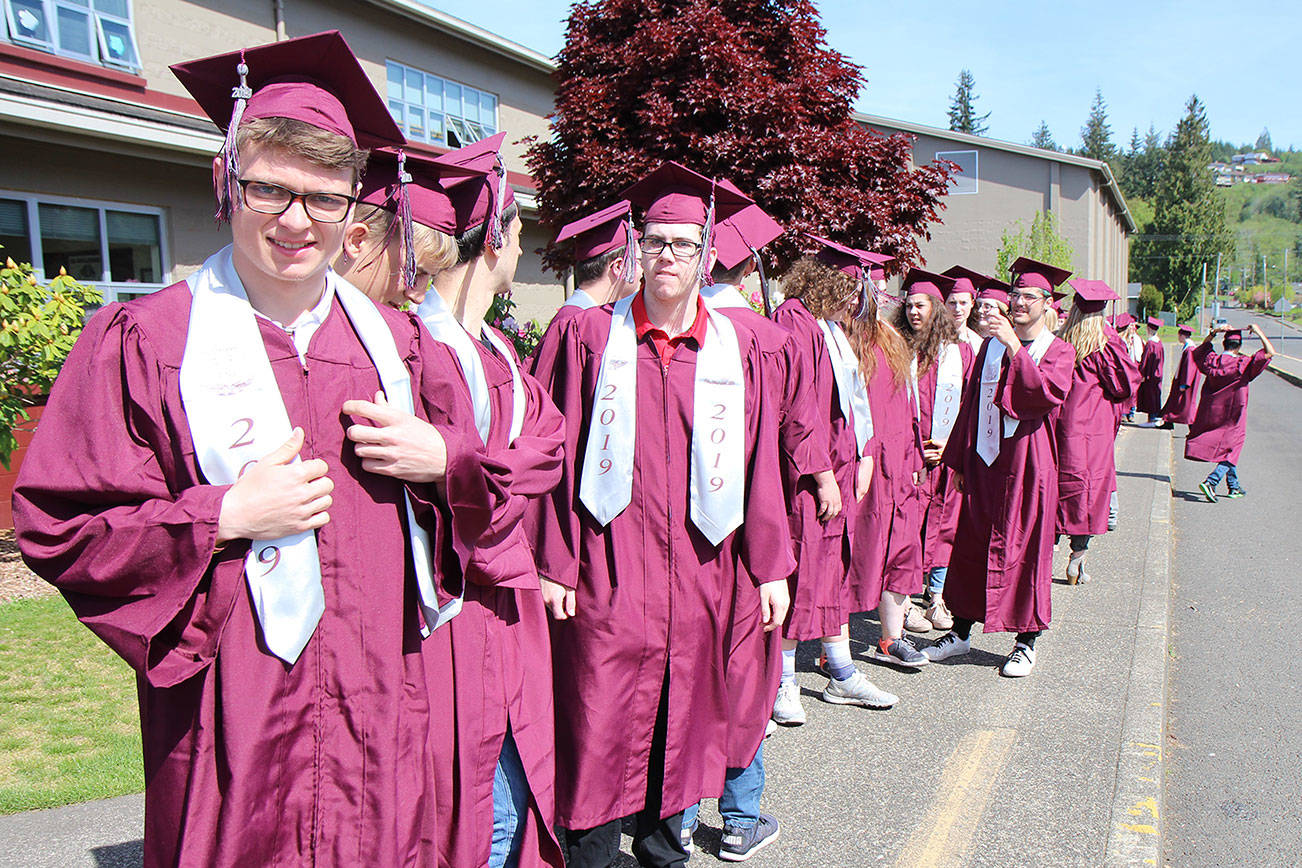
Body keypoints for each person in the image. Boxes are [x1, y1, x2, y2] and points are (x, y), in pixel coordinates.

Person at [12, 32, 500, 867]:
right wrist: (222, 515)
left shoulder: (400, 348)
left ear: (355, 206)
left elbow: (487, 510)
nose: (296, 220)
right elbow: (63, 525)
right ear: (226, 183)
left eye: (324, 198)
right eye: (270, 189)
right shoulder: (144, 338)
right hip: (227, 709)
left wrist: (444, 460)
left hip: (379, 707)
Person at [529, 162, 793, 868]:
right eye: (654, 242)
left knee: (679, 731)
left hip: (704, 577)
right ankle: (586, 856)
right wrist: (554, 561)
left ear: (707, 255)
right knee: (598, 725)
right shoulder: (589, 339)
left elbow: (763, 461)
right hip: (608, 575)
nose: (666, 257)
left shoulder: (746, 348)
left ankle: (663, 854)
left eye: (682, 244)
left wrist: (770, 568)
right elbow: (550, 453)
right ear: (634, 249)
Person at [335, 141, 568, 868]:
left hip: (502, 607)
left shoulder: (499, 354)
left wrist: (458, 463)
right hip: (440, 614)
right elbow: (516, 471)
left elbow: (550, 448)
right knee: (466, 810)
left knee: (507, 792)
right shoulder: (410, 349)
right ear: (495, 237)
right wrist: (480, 473)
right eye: (520, 235)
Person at [680, 188, 797, 861]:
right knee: (742, 672)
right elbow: (781, 450)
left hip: (674, 542)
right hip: (748, 528)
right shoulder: (768, 337)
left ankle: (672, 814)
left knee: (687, 672)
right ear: (744, 267)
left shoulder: (644, 334)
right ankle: (740, 815)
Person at [926, 257, 1075, 677]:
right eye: (1016, 295)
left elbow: (1041, 397)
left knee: (1025, 551)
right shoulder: (987, 347)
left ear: (1047, 304)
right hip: (985, 462)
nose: (1019, 302)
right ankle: (960, 633)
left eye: (1029, 297)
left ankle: (1025, 643)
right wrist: (957, 458)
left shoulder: (1058, 351)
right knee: (971, 545)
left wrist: (1013, 345)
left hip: (1028, 468)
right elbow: (971, 404)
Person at [846, 266, 929, 672]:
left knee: (901, 549)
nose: (877, 295)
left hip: (898, 460)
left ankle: (892, 638)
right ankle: (836, 651)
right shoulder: (843, 338)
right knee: (857, 552)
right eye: (870, 288)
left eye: (881, 289)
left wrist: (914, 458)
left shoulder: (893, 338)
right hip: (863, 460)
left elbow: (909, 404)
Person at [901, 271, 976, 632]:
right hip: (908, 456)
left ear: (936, 310)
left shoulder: (961, 352)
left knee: (946, 524)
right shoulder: (899, 348)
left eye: (921, 305)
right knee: (906, 525)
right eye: (910, 305)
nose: (914, 312)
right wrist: (914, 449)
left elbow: (969, 405)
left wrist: (950, 445)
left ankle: (937, 597)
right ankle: (901, 601)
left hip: (946, 454)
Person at [1053, 279, 1138, 584]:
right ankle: (1077, 560)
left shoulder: (1058, 341)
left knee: (1054, 489)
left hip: (1057, 428)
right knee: (1086, 494)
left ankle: (1040, 558)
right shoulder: (1106, 345)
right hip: (1091, 433)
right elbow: (1124, 385)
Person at [1186, 325, 1275, 502]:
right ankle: (1212, 481)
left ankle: (1233, 486)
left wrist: (1213, 333)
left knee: (1229, 448)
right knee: (1233, 449)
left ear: (1224, 343)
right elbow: (1270, 352)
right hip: (1234, 415)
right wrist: (1259, 332)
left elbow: (1200, 351)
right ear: (1239, 346)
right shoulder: (1243, 364)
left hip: (1212, 412)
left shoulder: (1213, 361)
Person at [549, 199, 643, 322]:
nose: (642, 270)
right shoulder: (578, 323)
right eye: (639, 261)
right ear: (618, 267)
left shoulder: (586, 317)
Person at [1159, 324, 1201, 429]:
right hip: (1182, 380)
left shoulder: (1190, 350)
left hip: (1185, 382)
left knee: (1186, 405)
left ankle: (1192, 427)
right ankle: (1168, 422)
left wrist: (1184, 384)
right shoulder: (1188, 347)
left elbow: (1189, 368)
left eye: (1179, 335)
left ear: (1182, 336)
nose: (1178, 338)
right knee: (1175, 402)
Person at [942, 265, 988, 350]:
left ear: (972, 303)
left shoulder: (978, 343)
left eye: (963, 303)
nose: (957, 309)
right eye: (952, 303)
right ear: (944, 304)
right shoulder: (935, 340)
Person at [1137, 316, 1165, 425]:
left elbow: (1145, 359)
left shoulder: (1150, 343)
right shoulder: (1159, 343)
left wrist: (1142, 373)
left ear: (1149, 329)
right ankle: (1154, 417)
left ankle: (1152, 418)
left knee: (1150, 397)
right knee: (1155, 395)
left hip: (1150, 374)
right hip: (1157, 373)